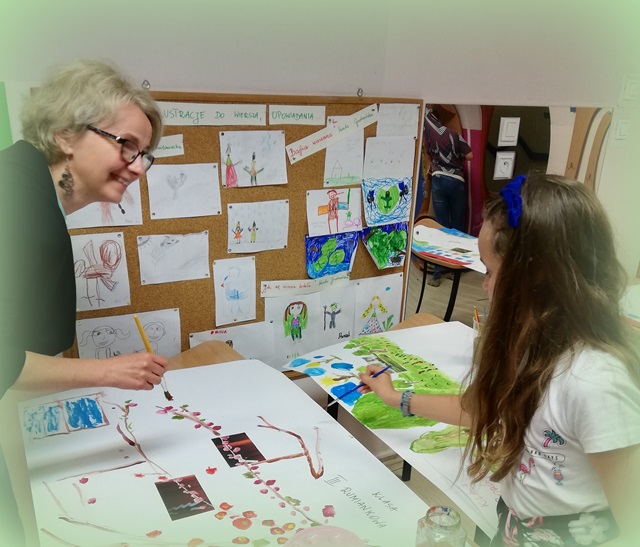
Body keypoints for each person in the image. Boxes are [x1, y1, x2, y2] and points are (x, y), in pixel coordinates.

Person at [359, 174, 640, 546]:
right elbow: (480, 408)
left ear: (535, 275)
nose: (485, 285)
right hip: (513, 528)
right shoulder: (533, 347)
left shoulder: (596, 383)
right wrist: (396, 397)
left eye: (490, 271)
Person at [0, 59, 170, 544]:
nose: (137, 167)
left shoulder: (29, 189)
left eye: (144, 154)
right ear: (65, 134)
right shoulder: (17, 204)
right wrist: (109, 371)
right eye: (126, 145)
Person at [422, 105, 473, 287]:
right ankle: (453, 270)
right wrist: (456, 158)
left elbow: (428, 155)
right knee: (457, 227)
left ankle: (437, 275)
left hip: (438, 180)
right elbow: (470, 155)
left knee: (441, 227)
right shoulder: (454, 135)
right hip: (456, 181)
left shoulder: (429, 138)